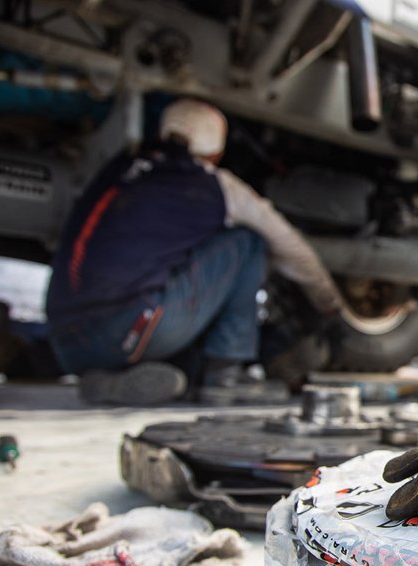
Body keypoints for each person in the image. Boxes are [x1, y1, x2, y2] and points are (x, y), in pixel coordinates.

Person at [45, 98, 342, 405]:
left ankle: (106, 381)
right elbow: (291, 247)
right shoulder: (215, 185)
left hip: (67, 343)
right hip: (129, 330)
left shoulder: (118, 169)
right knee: (247, 242)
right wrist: (329, 303)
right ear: (217, 151)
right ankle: (224, 376)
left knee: (164, 276)